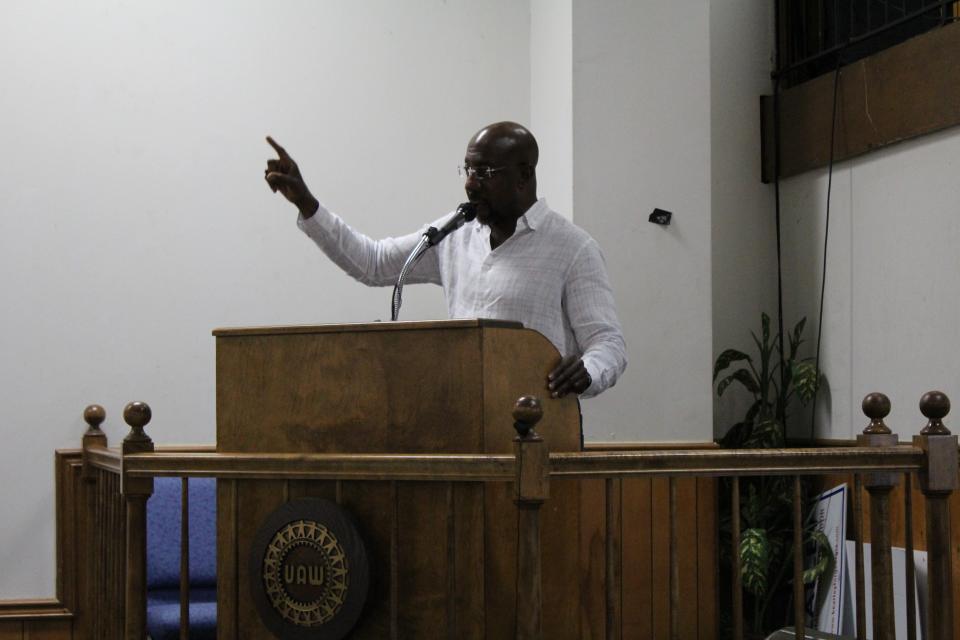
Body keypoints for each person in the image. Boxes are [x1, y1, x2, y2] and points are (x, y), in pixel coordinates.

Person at [264, 121, 626, 399]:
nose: (470, 184)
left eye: (484, 173)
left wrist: (587, 372)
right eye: (468, 170)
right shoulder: (454, 235)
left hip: (540, 430)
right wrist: (306, 203)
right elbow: (372, 263)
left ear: (524, 175)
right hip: (463, 421)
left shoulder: (573, 249)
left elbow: (608, 344)